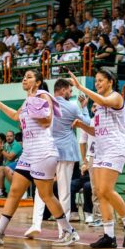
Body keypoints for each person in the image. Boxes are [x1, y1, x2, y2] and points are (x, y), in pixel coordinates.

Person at [0, 70, 79, 246]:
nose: (25, 78)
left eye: (29, 77)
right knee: (15, 191)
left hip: (43, 150)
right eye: (24, 76)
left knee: (46, 195)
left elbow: (47, 121)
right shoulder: (28, 100)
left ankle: (69, 231)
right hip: (29, 153)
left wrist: (33, 106)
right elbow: (16, 116)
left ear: (38, 82)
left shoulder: (43, 95)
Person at [70, 69, 125, 249]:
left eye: (101, 81)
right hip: (101, 150)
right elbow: (96, 131)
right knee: (100, 192)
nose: (98, 84)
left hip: (115, 149)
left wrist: (80, 87)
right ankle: (109, 235)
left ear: (110, 81)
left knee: (107, 190)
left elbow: (102, 99)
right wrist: (81, 125)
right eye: (96, 82)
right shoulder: (99, 108)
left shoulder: (116, 97)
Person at [24, 78, 90, 239]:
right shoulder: (72, 106)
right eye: (69, 90)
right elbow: (87, 122)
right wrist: (85, 108)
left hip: (45, 150)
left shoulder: (43, 103)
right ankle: (64, 230)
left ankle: (36, 224)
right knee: (64, 191)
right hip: (65, 151)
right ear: (62, 90)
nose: (71, 93)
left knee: (42, 190)